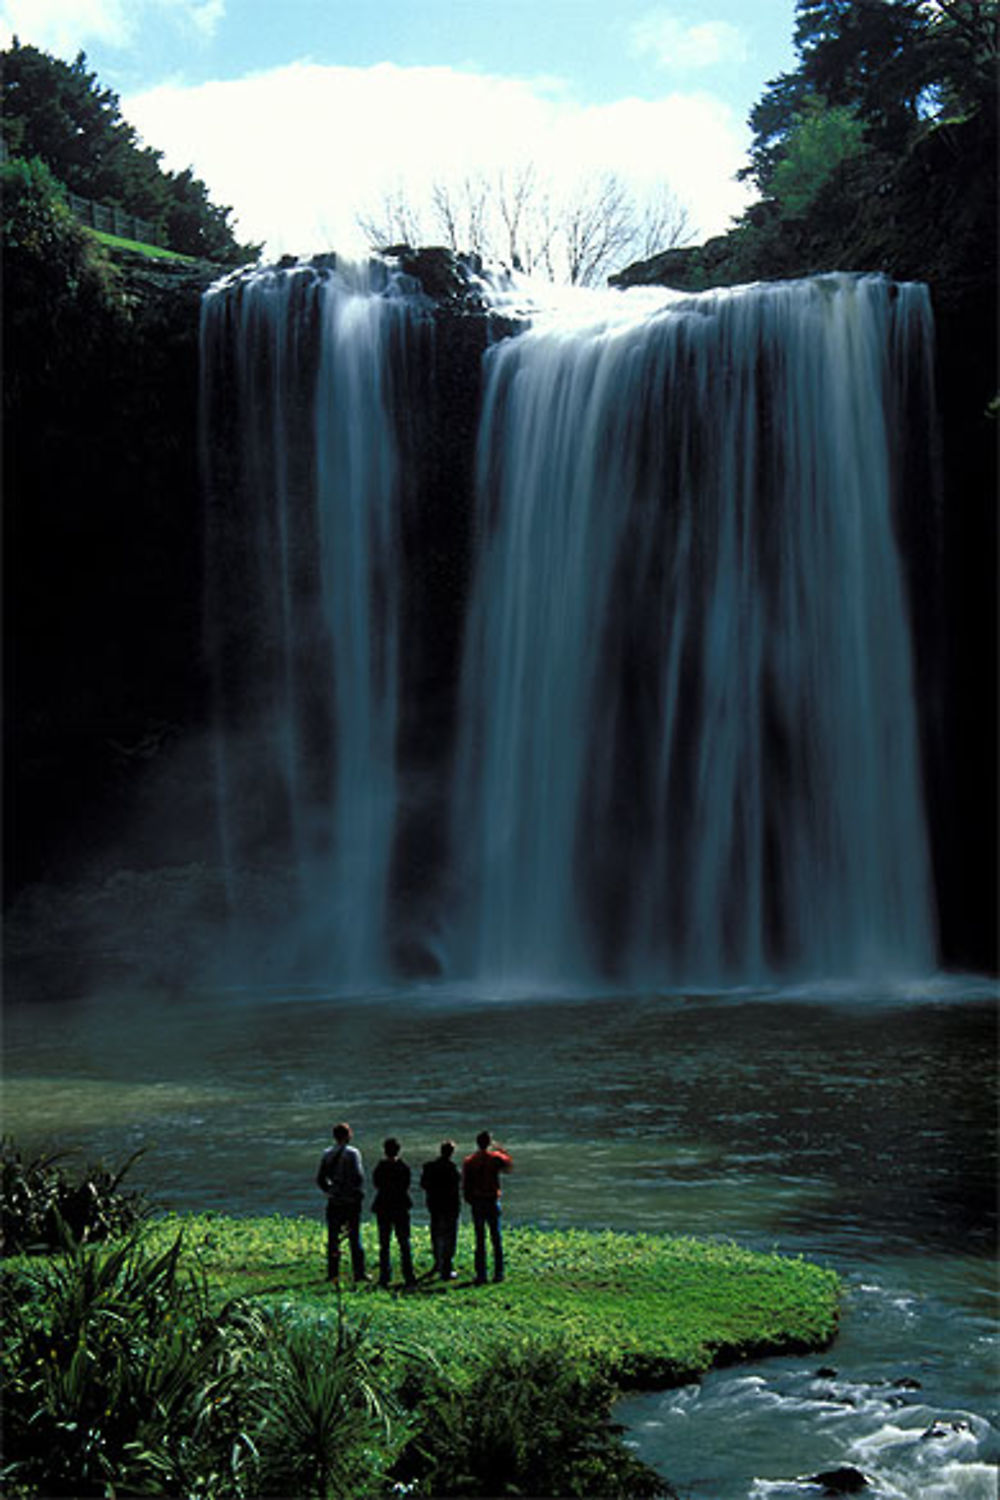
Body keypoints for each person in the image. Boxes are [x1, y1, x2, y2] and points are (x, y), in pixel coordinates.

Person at [316, 1121, 367, 1284]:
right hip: (350, 1201)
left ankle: (332, 1273)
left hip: (335, 1200)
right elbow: (359, 1176)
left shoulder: (327, 1153)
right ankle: (359, 1273)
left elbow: (320, 1178)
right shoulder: (353, 1153)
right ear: (348, 1135)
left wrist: (330, 1191)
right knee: (354, 1237)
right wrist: (357, 1194)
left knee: (333, 1238)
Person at [462, 1130, 513, 1284]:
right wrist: (502, 1150)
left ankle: (481, 1274)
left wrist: (470, 1199)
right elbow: (509, 1167)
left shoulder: (470, 1160)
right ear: (489, 1143)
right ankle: (498, 1273)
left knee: (480, 1239)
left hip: (478, 1200)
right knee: (496, 1238)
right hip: (491, 1199)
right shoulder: (495, 1158)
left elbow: (465, 1184)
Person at [372, 1137, 416, 1288]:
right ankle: (409, 1275)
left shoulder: (380, 1167)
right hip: (400, 1206)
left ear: (385, 1150)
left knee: (384, 1243)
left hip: (383, 1205)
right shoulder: (403, 1167)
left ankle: (385, 1276)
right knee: (404, 1242)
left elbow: (376, 1183)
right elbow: (406, 1184)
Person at [420, 1140, 461, 1280]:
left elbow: (423, 1184)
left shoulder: (429, 1167)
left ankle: (437, 1263)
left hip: (435, 1205)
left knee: (436, 1234)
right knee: (450, 1236)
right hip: (450, 1206)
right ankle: (447, 1267)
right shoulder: (453, 1168)